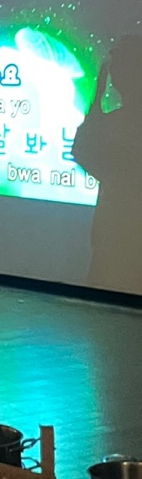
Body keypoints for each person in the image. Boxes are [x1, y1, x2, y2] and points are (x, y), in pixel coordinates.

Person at [72, 36, 142, 292]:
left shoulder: (118, 125)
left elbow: (82, 150)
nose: (114, 73)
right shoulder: (116, 123)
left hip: (116, 238)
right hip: (111, 239)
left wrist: (97, 101)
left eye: (120, 65)